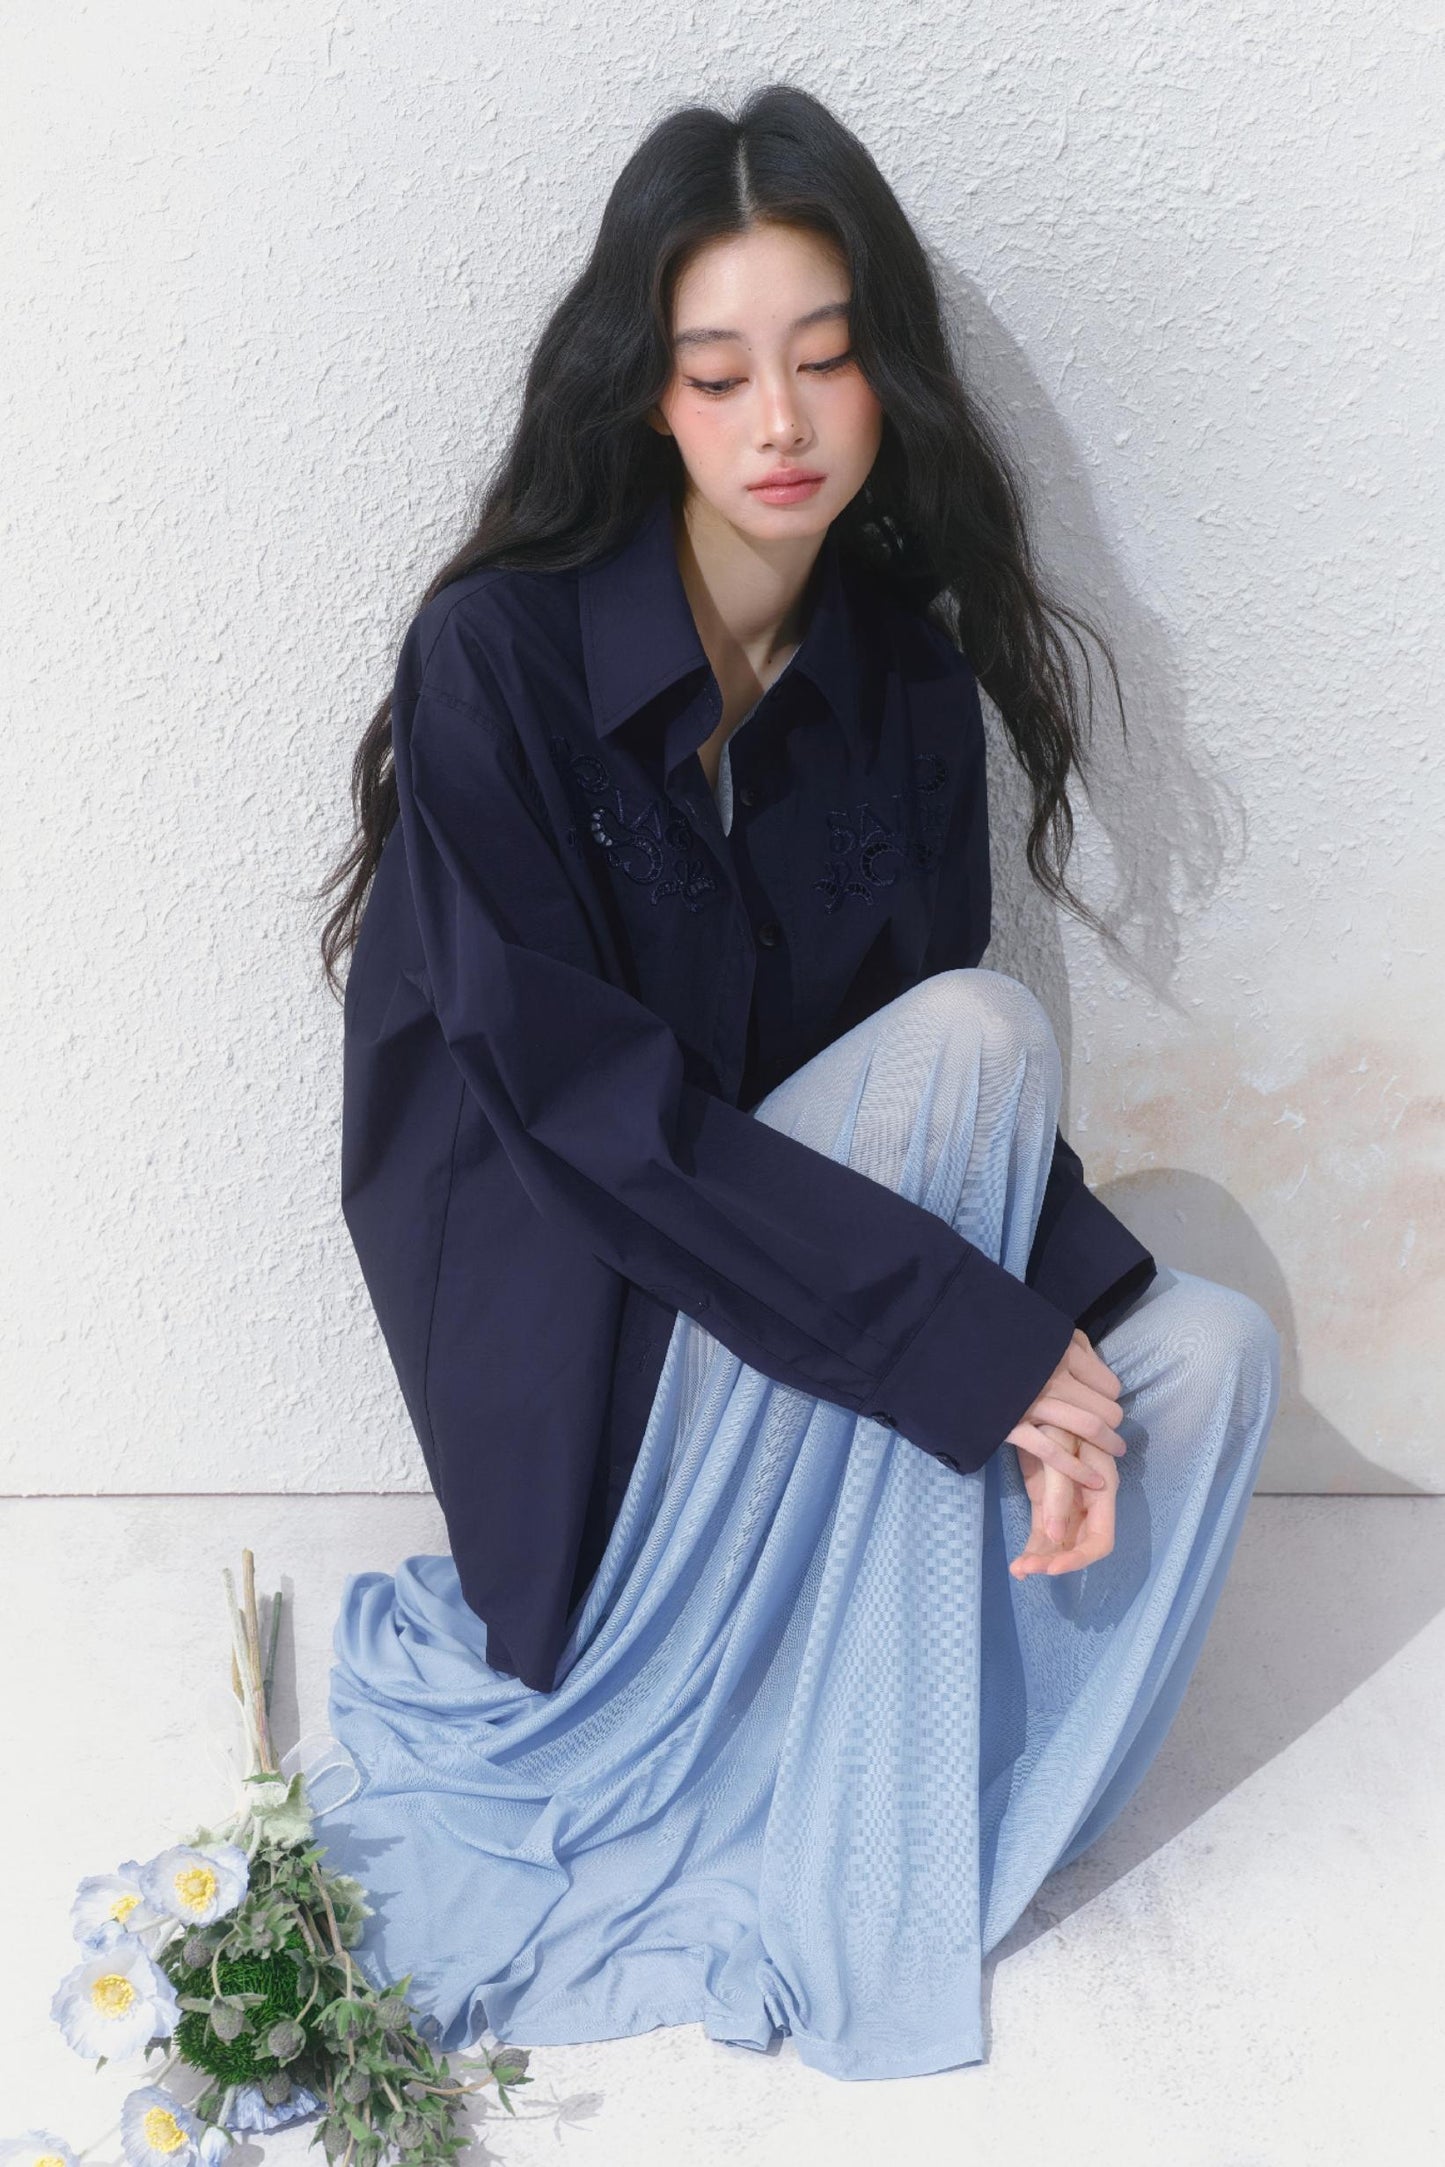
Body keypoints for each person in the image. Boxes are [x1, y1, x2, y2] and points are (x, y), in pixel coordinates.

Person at [311, 83, 1282, 2082]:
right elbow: (590, 1123)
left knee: (1207, 1359)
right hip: (599, 1371)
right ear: (645, 399)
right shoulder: (493, 660)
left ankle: (897, 1825)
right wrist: (968, 1345)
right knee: (984, 1040)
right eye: (719, 372)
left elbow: (924, 1118)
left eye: (826, 359)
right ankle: (818, 1789)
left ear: (882, 378)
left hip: (813, 1303)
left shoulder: (905, 685)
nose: (781, 420)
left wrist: (1052, 1347)